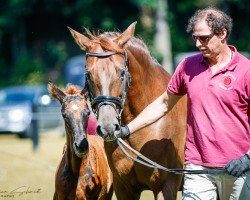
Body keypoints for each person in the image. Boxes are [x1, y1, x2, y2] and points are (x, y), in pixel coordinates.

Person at [120, 7, 250, 200]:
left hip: (238, 170)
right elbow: (163, 103)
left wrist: (247, 159)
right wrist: (127, 129)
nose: (198, 44)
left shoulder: (246, 70)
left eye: (204, 38)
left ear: (222, 34)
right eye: (195, 38)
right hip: (197, 169)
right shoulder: (187, 67)